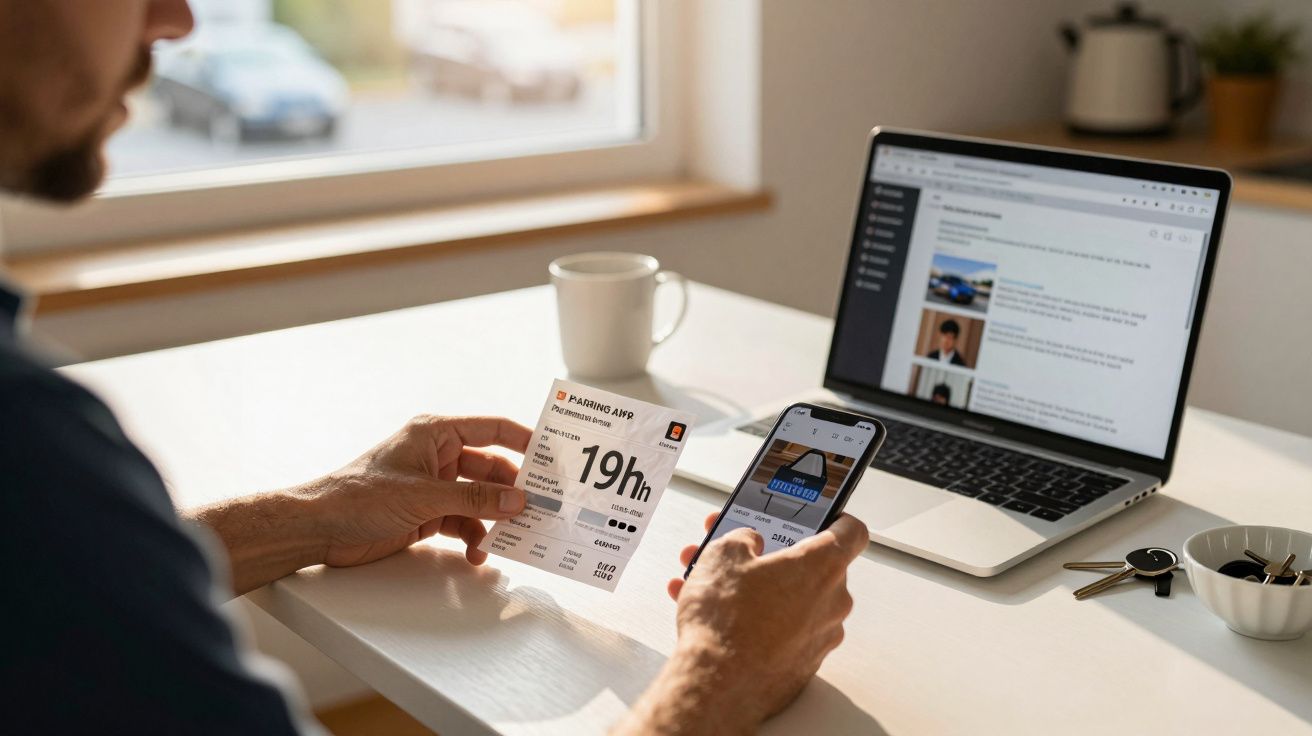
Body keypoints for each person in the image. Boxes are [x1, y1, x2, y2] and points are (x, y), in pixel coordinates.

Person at [0, 3, 868, 734]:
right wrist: (719, 675)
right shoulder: (33, 448)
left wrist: (314, 514)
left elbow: (44, 598)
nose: (177, 18)